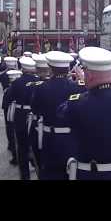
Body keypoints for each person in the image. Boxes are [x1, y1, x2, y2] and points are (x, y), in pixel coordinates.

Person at [57, 47, 111, 180]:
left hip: (90, 175)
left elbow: (60, 114)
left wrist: (81, 86)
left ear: (89, 75)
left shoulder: (76, 103)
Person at [31, 51, 87, 180]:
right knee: (71, 173)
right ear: (68, 69)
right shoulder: (77, 87)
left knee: (50, 172)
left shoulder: (41, 88)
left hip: (49, 137)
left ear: (50, 69)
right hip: (71, 138)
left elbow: (35, 110)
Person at [4, 57, 38, 179]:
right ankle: (36, 166)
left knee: (22, 147)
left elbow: (9, 98)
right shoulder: (39, 81)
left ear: (22, 68)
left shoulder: (16, 82)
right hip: (33, 115)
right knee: (35, 144)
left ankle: (25, 175)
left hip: (20, 116)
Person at [3, 69, 22, 165]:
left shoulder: (8, 89)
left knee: (13, 133)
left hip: (12, 112)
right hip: (22, 113)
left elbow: (5, 104)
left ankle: (15, 155)